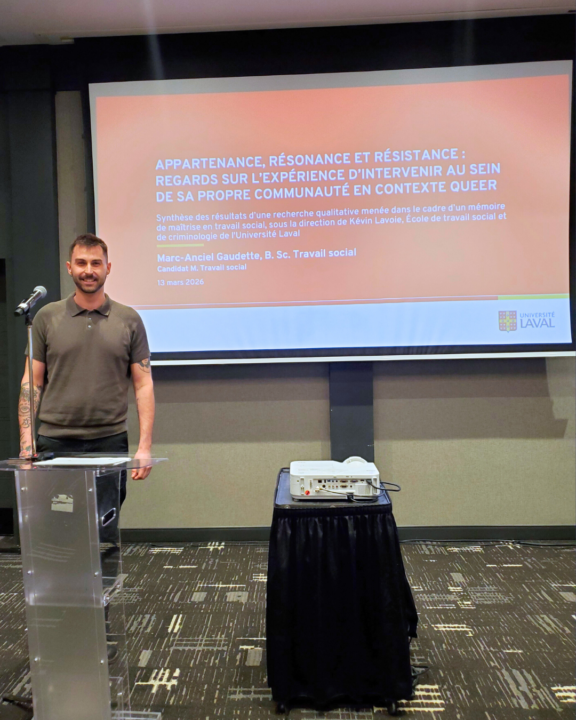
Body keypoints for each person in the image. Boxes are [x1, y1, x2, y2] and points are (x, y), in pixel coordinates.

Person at [18, 233, 155, 484]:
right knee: (58, 510)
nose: (88, 271)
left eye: (96, 263)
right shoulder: (46, 317)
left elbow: (143, 384)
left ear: (108, 268)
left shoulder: (129, 320)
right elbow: (31, 383)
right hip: (54, 441)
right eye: (81, 263)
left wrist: (144, 447)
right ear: (69, 268)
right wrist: (27, 445)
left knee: (106, 510)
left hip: (110, 441)